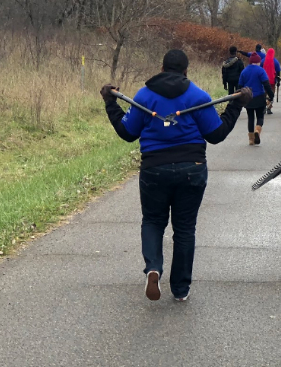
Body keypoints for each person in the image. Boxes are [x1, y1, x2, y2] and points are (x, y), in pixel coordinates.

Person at [100, 49, 252, 302]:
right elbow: (215, 135)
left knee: (152, 221)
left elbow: (128, 132)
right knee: (184, 228)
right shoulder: (197, 96)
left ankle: (153, 268)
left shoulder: (144, 96)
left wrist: (110, 103)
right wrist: (237, 104)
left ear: (161, 68)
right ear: (185, 71)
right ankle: (180, 289)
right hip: (191, 168)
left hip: (154, 169)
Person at [238, 53, 274, 145]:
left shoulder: (244, 71)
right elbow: (266, 84)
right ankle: (257, 130)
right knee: (260, 116)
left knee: (250, 117)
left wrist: (239, 97)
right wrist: (271, 95)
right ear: (258, 62)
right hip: (259, 97)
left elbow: (240, 86)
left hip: (248, 98)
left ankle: (251, 139)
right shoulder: (260, 70)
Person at [262, 48, 279, 115]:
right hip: (272, 81)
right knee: (271, 94)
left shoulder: (263, 61)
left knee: (264, 94)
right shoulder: (275, 61)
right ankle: (269, 108)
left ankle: (263, 107)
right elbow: (278, 71)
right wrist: (278, 81)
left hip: (264, 81)